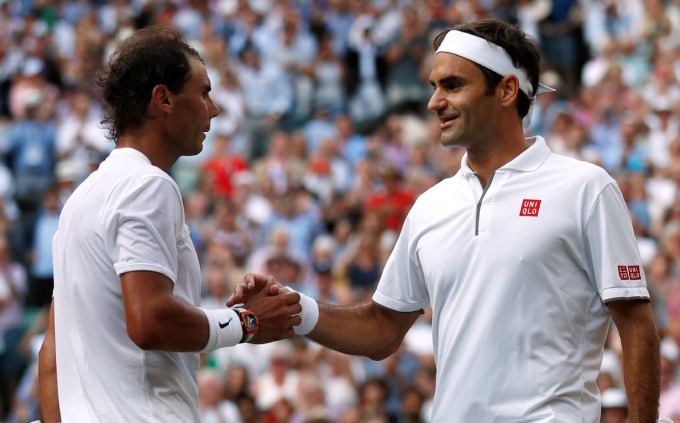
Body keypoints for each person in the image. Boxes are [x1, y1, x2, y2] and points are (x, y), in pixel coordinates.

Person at [230, 19, 661, 422]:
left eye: (453, 85)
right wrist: (294, 309)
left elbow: (636, 325)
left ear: (508, 90)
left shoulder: (586, 188)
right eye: (435, 87)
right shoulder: (430, 206)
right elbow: (382, 330)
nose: (435, 102)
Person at [37, 26, 302, 422]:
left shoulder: (80, 201)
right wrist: (247, 322)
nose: (213, 109)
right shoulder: (148, 185)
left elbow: (51, 357)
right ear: (163, 99)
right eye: (203, 92)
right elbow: (149, 320)